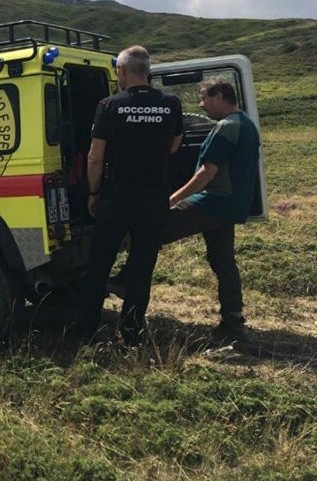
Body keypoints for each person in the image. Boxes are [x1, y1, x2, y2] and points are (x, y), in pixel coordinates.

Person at [79, 45, 183, 345]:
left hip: (116, 197)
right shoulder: (171, 103)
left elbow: (95, 157)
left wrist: (94, 192)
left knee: (99, 265)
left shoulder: (110, 105)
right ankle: (131, 333)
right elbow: (175, 145)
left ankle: (87, 330)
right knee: (141, 267)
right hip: (153, 199)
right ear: (147, 71)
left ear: (122, 71)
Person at [162, 78, 260, 342]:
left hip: (212, 202)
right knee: (222, 261)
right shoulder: (247, 125)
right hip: (230, 206)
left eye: (204, 98)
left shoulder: (226, 127)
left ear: (219, 96)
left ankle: (126, 281)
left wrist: (172, 199)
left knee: (154, 229)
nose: (201, 104)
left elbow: (208, 172)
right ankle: (233, 320)